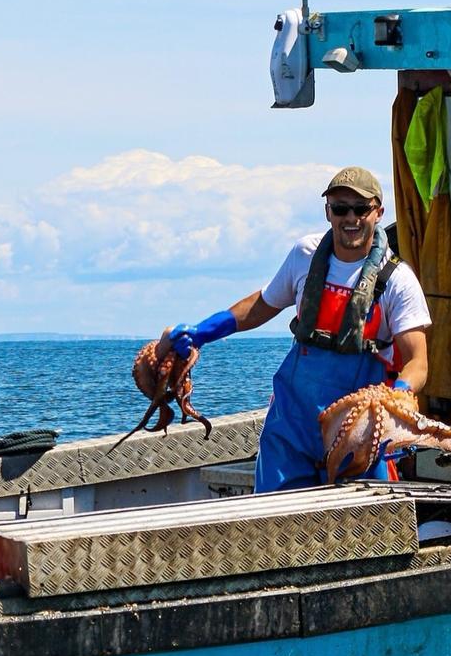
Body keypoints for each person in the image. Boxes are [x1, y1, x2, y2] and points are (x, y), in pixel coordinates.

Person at [169, 167, 431, 492]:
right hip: (291, 423)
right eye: (340, 208)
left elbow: (417, 361)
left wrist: (396, 396)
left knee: (365, 527)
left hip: (360, 428)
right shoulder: (304, 255)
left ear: (378, 212)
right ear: (328, 212)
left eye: (361, 209)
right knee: (276, 520)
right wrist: (203, 332)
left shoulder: (398, 281)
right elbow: (262, 305)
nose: (351, 218)